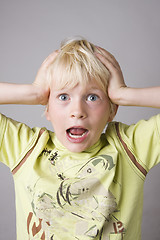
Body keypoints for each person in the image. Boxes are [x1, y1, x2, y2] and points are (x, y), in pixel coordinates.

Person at [0, 38, 160, 240]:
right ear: (47, 108)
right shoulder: (26, 149)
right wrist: (34, 91)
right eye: (63, 97)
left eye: (92, 97)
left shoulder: (130, 149)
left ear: (112, 110)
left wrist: (124, 95)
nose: (77, 111)